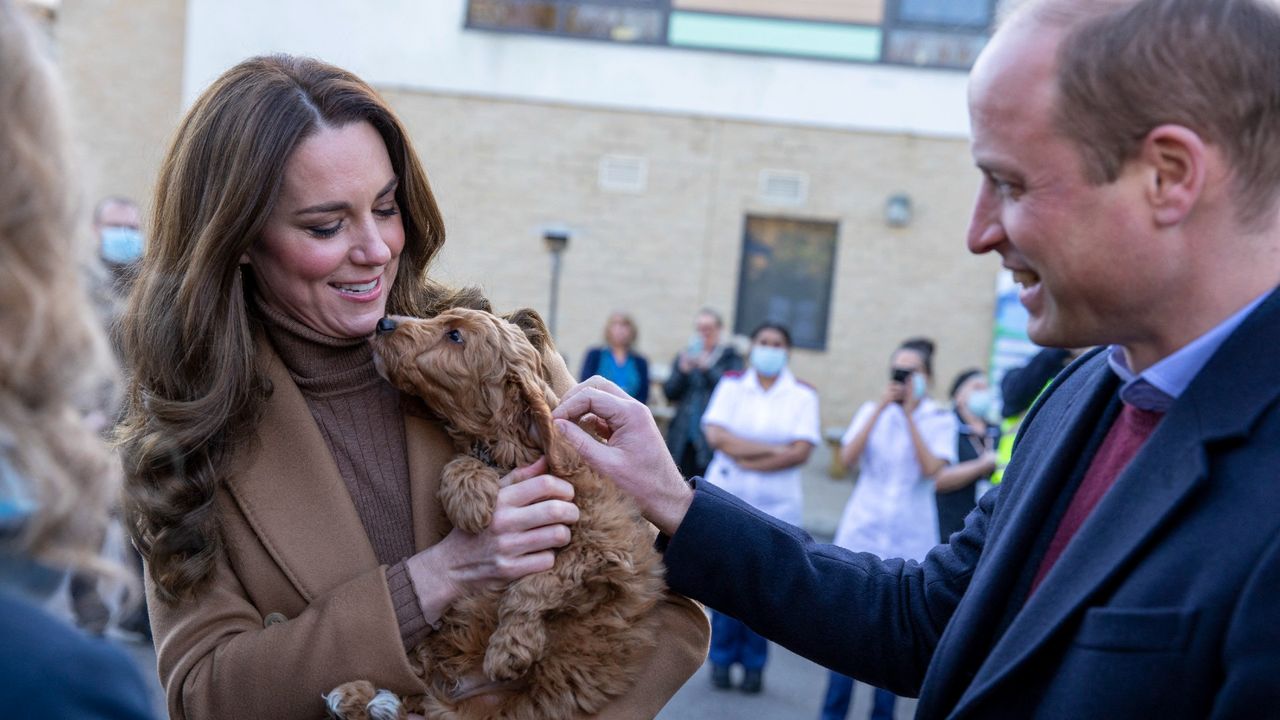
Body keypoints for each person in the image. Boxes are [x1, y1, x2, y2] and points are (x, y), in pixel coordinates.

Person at [551, 0, 1280, 716]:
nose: (978, 233)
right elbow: (924, 620)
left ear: (1169, 176)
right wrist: (672, 497)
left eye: (1011, 183)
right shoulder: (1085, 393)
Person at [117, 55, 707, 720]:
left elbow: (667, 617)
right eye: (325, 225)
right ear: (240, 238)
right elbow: (204, 694)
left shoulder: (505, 359)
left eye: (386, 207)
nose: (375, 248)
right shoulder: (187, 429)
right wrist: (436, 578)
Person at [0, 2, 153, 716]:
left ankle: (110, 612)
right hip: (76, 432)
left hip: (110, 440)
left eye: (132, 230)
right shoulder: (64, 688)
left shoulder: (150, 296)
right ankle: (95, 613)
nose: (122, 241)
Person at [821, 338, 954, 720]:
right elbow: (845, 460)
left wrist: (911, 415)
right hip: (862, 531)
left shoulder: (939, 419)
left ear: (927, 377)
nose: (903, 379)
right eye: (898, 371)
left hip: (909, 540)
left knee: (893, 641)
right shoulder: (872, 411)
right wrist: (882, 408)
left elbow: (933, 469)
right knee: (843, 637)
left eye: (911, 372)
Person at [699, 321, 820, 694]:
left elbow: (801, 450)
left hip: (777, 505)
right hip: (728, 497)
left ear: (787, 351)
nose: (770, 348)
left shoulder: (801, 395)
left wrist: (747, 454)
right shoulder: (733, 384)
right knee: (726, 581)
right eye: (763, 341)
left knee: (765, 587)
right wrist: (772, 449)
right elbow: (717, 436)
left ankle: (754, 665)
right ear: (753, 347)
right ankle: (720, 659)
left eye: (777, 343)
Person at [663, 308, 743, 478]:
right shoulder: (685, 356)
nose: (703, 334)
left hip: (712, 439)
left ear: (719, 330)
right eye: (700, 329)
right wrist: (682, 372)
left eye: (708, 329)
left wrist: (708, 368)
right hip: (682, 437)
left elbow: (733, 393)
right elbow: (670, 393)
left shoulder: (731, 358)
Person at [934, 368, 1000, 540]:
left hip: (986, 529)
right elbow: (938, 480)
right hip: (949, 527)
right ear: (958, 396)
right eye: (976, 388)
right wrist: (981, 466)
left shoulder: (996, 430)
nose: (983, 393)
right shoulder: (947, 427)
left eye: (986, 388)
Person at [579, 311, 650, 403]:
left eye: (624, 325)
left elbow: (643, 395)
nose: (619, 329)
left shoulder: (640, 361)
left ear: (632, 331)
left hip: (631, 410)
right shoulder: (595, 355)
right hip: (598, 407)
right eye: (615, 324)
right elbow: (585, 385)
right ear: (608, 329)